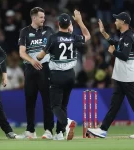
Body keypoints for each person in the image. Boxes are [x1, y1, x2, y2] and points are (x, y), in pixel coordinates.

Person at [87, 12, 134, 138]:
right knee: (115, 105)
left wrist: (113, 52)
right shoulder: (125, 35)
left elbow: (125, 56)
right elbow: (114, 42)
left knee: (133, 103)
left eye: (117, 20)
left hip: (126, 76)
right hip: (122, 76)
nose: (115, 22)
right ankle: (103, 129)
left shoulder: (128, 36)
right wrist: (103, 32)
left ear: (123, 22)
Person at [37, 10, 91, 140]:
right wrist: (80, 21)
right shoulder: (73, 37)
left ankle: (66, 124)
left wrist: (43, 53)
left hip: (56, 75)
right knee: (63, 105)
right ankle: (60, 133)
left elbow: (39, 57)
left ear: (58, 23)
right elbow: (87, 35)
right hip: (70, 76)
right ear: (69, 25)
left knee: (55, 106)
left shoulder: (53, 38)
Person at [16, 7, 54, 139]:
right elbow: (21, 52)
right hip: (30, 69)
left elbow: (54, 47)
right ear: (34, 18)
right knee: (30, 101)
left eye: (44, 17)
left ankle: (49, 130)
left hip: (46, 68)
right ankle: (30, 131)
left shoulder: (49, 30)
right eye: (41, 17)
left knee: (47, 101)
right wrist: (32, 61)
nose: (44, 19)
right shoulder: (25, 32)